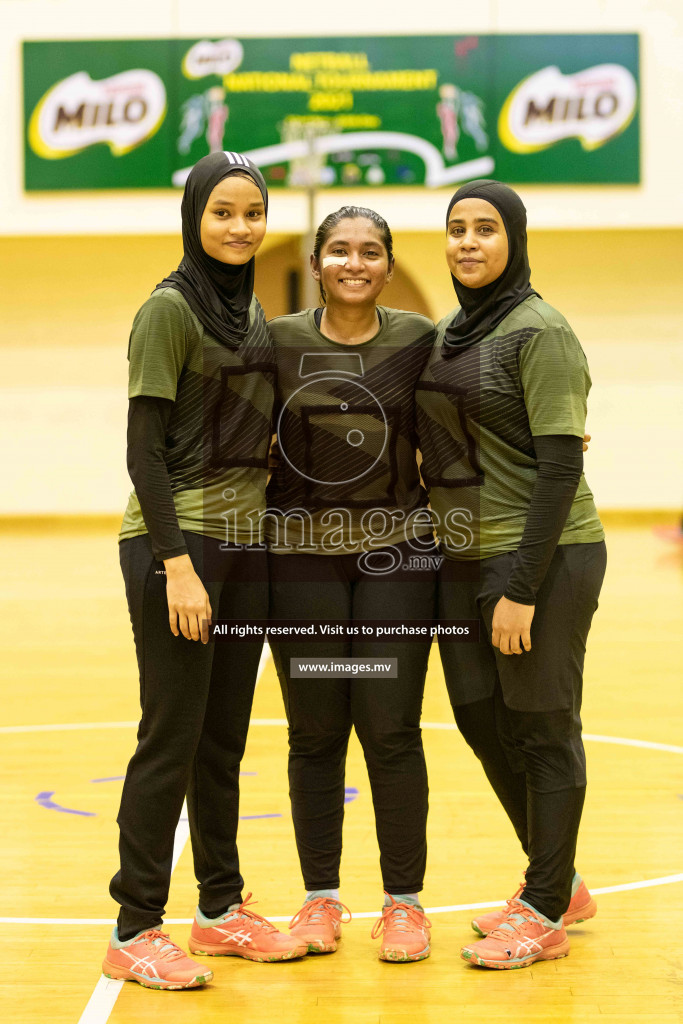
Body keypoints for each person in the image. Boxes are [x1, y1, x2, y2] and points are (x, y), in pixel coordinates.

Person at [102, 151, 306, 991]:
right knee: (171, 735)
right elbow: (142, 448)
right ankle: (134, 924)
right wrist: (176, 565)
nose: (238, 227)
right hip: (176, 545)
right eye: (222, 211)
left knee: (222, 739)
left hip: (246, 543)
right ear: (194, 216)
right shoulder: (169, 309)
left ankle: (219, 910)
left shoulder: (250, 312)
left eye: (251, 212)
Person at [415, 179, 606, 970]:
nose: (467, 242)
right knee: (477, 716)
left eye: (485, 229)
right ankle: (556, 879)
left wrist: (522, 587)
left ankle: (543, 908)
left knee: (541, 724)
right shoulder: (448, 332)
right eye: (455, 228)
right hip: (461, 558)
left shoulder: (540, 331)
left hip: (543, 555)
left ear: (513, 239)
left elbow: (559, 469)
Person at [265, 207, 436, 962]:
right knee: (314, 731)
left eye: (370, 251)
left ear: (388, 265)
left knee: (390, 726)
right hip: (300, 560)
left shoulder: (418, 342)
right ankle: (320, 899)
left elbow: (468, 420)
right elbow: (231, 433)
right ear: (317, 260)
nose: (354, 263)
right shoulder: (278, 343)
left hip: (396, 555)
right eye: (339, 250)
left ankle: (403, 904)